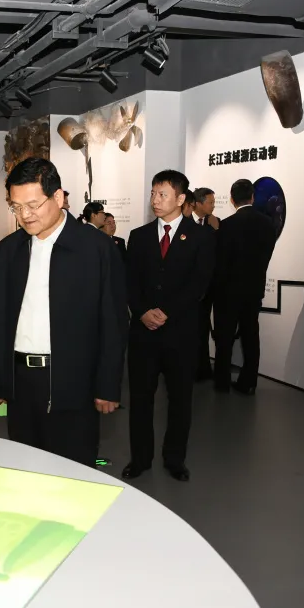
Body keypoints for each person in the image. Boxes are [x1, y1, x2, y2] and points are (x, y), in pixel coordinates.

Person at [0, 157, 126, 467]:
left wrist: (107, 384)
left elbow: (113, 321)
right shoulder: (8, 251)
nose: (25, 215)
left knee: (73, 469)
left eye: (33, 205)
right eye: (16, 207)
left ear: (58, 197)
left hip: (74, 380)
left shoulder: (96, 249)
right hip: (21, 381)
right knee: (26, 467)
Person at [123, 170, 215, 482]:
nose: (155, 200)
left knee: (180, 401)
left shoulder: (201, 237)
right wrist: (142, 311)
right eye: (153, 193)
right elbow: (130, 282)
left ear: (180, 198)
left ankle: (175, 459)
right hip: (143, 334)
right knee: (140, 400)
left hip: (181, 334)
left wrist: (166, 312)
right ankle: (140, 459)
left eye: (162, 194)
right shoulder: (139, 236)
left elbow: (199, 284)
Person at [212, 179, 276, 394]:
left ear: (232, 199)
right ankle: (248, 382)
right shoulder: (267, 224)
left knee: (224, 338)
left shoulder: (227, 225)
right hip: (254, 289)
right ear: (253, 197)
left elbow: (221, 263)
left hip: (227, 291)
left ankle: (222, 381)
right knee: (251, 336)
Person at [191, 187, 219, 381]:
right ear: (198, 203)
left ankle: (202, 368)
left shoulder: (215, 224)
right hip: (187, 287)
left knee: (202, 327)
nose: (213, 206)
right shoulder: (184, 222)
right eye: (210, 202)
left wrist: (217, 230)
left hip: (208, 288)